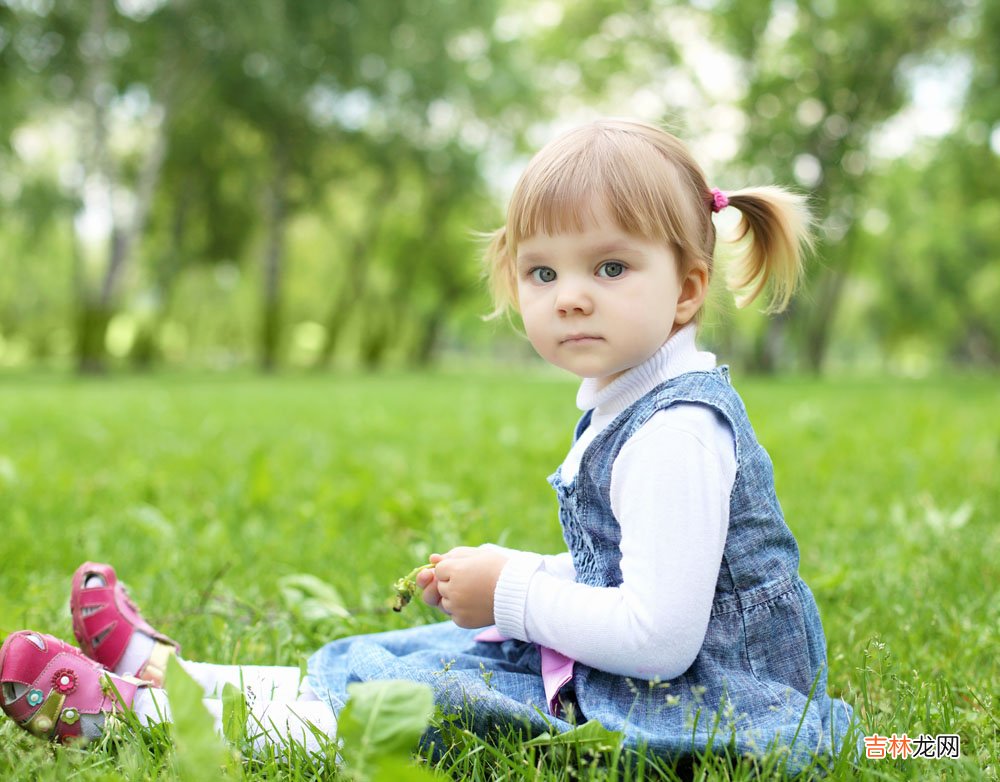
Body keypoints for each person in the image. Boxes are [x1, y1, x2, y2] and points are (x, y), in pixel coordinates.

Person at [1, 118, 854, 769]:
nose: (571, 298)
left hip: (703, 703)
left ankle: (135, 716)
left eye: (610, 268)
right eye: (543, 273)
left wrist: (514, 592)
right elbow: (630, 574)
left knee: (428, 706)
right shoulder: (631, 397)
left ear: (687, 289)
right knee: (425, 656)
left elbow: (663, 636)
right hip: (650, 674)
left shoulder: (675, 433)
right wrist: (517, 571)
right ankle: (164, 675)